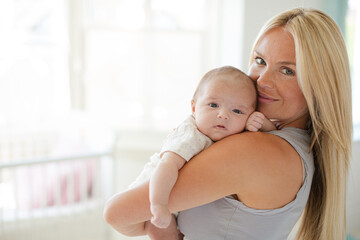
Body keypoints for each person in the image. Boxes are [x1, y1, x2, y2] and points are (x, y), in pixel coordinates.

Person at [104, 7, 352, 240]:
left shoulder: (255, 150)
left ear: (320, 86)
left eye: (287, 71)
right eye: (260, 61)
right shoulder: (296, 148)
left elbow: (117, 213)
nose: (262, 80)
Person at [128, 66, 275, 233]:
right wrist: (159, 205)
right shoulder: (191, 135)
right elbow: (166, 165)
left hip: (181, 199)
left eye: (237, 111)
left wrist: (261, 123)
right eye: (213, 105)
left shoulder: (233, 132)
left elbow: (274, 139)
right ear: (193, 108)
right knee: (157, 228)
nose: (223, 115)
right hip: (155, 190)